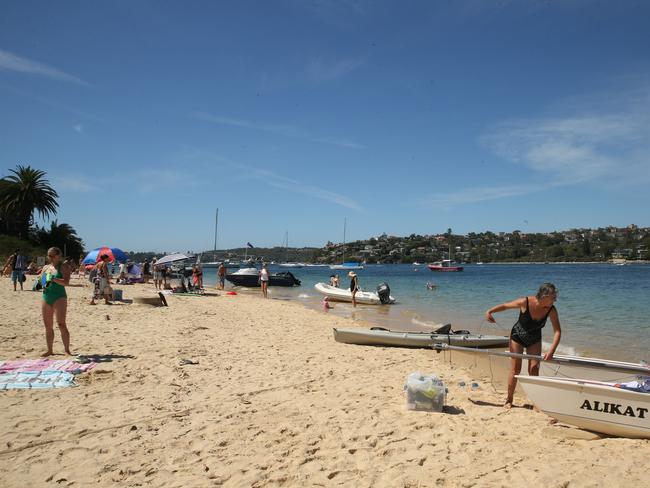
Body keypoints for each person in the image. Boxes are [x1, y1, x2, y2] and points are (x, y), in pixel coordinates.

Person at [485, 282, 562, 409]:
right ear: (544, 296)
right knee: (516, 369)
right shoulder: (525, 302)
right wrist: (490, 311)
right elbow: (505, 306)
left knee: (534, 369)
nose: (555, 300)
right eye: (553, 297)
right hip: (517, 337)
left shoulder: (551, 310)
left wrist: (552, 351)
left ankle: (535, 401)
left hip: (535, 339)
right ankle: (509, 400)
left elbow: (557, 331)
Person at [41, 247, 72, 356]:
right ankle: (50, 350)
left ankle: (67, 350)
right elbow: (43, 283)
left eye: (52, 255)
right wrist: (43, 282)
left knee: (61, 324)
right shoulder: (45, 267)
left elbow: (66, 282)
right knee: (48, 325)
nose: (49, 257)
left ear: (58, 256)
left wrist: (53, 279)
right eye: (48, 255)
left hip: (59, 297)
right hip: (47, 296)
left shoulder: (63, 267)